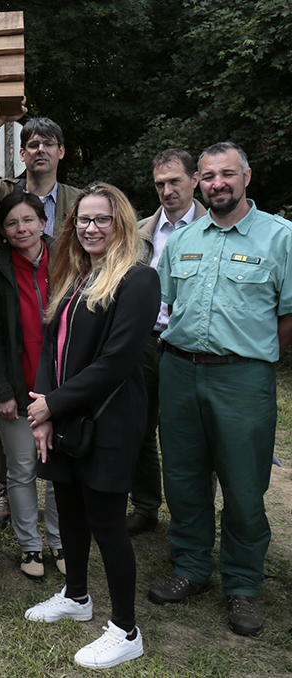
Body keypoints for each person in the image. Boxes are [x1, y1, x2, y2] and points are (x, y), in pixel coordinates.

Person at [150, 142, 292, 637]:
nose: (217, 184)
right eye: (208, 176)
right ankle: (190, 568)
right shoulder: (184, 239)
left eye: (226, 174)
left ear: (247, 176)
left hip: (243, 378)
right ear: (199, 183)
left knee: (244, 486)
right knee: (184, 479)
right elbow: (165, 304)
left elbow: (287, 315)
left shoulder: (281, 238)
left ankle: (242, 585)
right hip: (180, 372)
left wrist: (247, 354)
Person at [23, 183, 159, 669]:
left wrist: (50, 406)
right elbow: (48, 346)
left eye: (101, 219)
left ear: (120, 223)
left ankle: (126, 629)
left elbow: (116, 363)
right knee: (68, 510)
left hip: (108, 421)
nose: (90, 228)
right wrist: (44, 406)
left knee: (107, 525)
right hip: (63, 416)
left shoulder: (139, 280)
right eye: (83, 219)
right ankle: (76, 596)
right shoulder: (77, 275)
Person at [0, 116, 83, 524]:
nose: (40, 150)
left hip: (61, 339)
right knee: (8, 436)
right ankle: (1, 490)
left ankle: (61, 529)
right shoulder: (3, 194)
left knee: (57, 448)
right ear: (22, 153)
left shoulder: (80, 201)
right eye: (32, 144)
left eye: (49, 143)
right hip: (14, 326)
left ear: (61, 151)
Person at [127, 149, 207, 536]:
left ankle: (190, 520)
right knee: (138, 428)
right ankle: (145, 506)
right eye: (160, 183)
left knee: (185, 437)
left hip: (189, 348)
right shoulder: (140, 232)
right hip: (144, 343)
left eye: (175, 181)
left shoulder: (214, 229)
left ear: (195, 180)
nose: (167, 190)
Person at [0, 189, 62, 578]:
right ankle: (30, 546)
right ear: (2, 230)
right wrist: (2, 391)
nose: (21, 228)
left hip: (61, 384)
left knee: (58, 466)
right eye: (12, 222)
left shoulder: (69, 259)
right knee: (21, 468)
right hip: (16, 385)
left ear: (43, 222)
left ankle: (60, 540)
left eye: (28, 220)